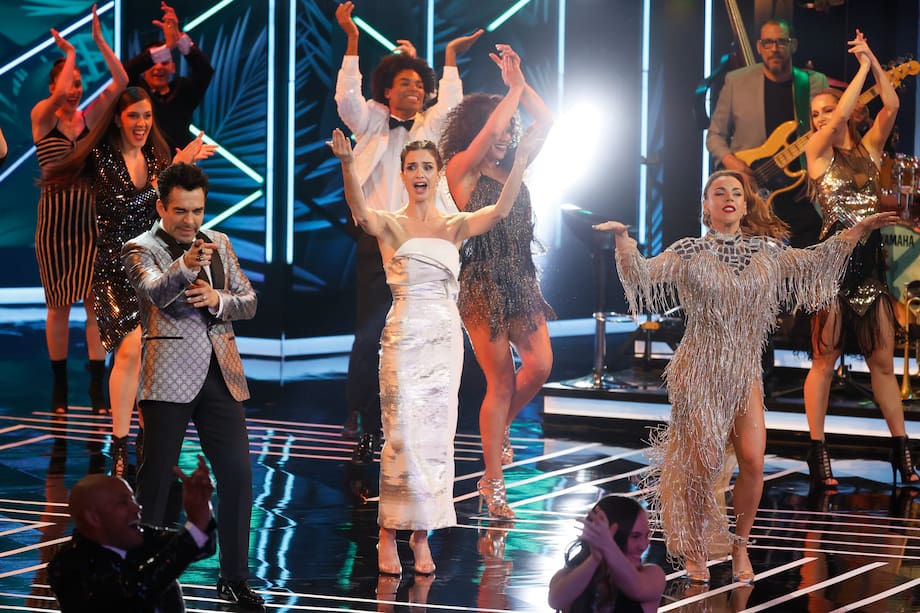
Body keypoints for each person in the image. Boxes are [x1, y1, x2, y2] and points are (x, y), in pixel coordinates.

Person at [594, 170, 897, 584]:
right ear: (707, 205)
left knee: (753, 461)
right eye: (719, 192)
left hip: (745, 371)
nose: (729, 198)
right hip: (698, 369)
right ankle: (697, 549)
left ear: (745, 203)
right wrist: (624, 242)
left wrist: (858, 231)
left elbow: (814, 262)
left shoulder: (766, 250)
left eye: (737, 192)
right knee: (702, 464)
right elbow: (641, 277)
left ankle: (740, 546)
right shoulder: (688, 251)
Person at [329, 119, 542, 574]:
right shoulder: (389, 224)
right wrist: (349, 166)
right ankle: (389, 533)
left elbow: (501, 212)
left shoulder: (455, 225)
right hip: (405, 336)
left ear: (437, 172)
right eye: (412, 166)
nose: (420, 172)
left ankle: (421, 537)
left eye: (427, 165)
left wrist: (520, 164)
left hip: (445, 341)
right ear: (404, 175)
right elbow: (361, 213)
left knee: (435, 441)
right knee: (402, 438)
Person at [334, 0, 482, 459]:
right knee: (372, 333)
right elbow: (346, 100)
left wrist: (450, 59)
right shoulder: (372, 120)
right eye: (406, 83)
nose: (415, 91)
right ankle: (362, 417)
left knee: (421, 335)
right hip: (377, 240)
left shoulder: (432, 126)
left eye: (421, 84)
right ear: (387, 91)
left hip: (425, 245)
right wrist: (353, 40)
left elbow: (453, 106)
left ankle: (417, 421)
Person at [42, 86, 215, 477]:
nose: (141, 124)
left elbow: (168, 208)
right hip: (116, 269)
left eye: (147, 117)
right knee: (131, 349)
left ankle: (145, 440)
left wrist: (181, 170)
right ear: (119, 118)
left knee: (154, 358)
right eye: (134, 116)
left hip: (156, 265)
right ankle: (119, 445)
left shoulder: (157, 156)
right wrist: (168, 173)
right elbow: (121, 209)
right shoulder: (103, 157)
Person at [121, 162, 263, 609]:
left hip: (221, 375)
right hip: (168, 377)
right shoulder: (138, 248)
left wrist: (218, 299)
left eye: (197, 211)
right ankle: (142, 572)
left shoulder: (218, 243)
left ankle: (235, 578)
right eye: (180, 211)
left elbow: (249, 302)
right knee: (156, 482)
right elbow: (155, 294)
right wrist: (184, 266)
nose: (190, 221)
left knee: (238, 474)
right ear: (162, 206)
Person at [439, 44, 554, 519]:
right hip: (482, 284)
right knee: (501, 382)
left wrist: (521, 84)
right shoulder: (459, 170)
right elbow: (488, 128)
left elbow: (545, 123)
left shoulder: (517, 167)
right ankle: (494, 481)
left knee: (542, 365)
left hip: (521, 278)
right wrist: (507, 94)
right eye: (502, 129)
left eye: (511, 129)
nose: (507, 136)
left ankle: (497, 434)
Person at [802, 31, 917, 488]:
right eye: (814, 114)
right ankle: (817, 452)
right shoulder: (816, 154)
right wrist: (864, 71)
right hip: (833, 270)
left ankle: (902, 451)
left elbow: (891, 106)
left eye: (826, 110)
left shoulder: (868, 152)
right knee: (823, 362)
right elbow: (840, 120)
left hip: (870, 270)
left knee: (883, 365)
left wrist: (871, 58)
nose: (821, 119)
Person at [31, 6, 126, 416]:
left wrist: (98, 41)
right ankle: (59, 389)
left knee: (92, 305)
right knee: (58, 306)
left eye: (78, 83)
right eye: (67, 83)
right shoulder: (42, 117)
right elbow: (54, 98)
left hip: (89, 226)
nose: (74, 89)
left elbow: (121, 82)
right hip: (54, 228)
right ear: (55, 86)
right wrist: (68, 53)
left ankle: (95, 389)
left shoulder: (90, 118)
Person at [707, 19, 828, 248]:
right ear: (759, 47)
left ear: (793, 45)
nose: (774, 48)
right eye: (768, 42)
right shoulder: (736, 81)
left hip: (800, 199)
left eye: (781, 42)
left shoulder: (812, 82)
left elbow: (827, 130)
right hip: (753, 201)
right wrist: (734, 164)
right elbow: (714, 136)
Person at [48, 454, 216, 612]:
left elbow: (202, 547)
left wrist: (201, 512)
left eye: (133, 499)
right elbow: (134, 598)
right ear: (93, 517)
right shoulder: (68, 565)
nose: (137, 508)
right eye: (123, 503)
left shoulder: (142, 537)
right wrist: (194, 528)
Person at [547, 496, 665, 613]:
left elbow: (637, 588)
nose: (644, 545)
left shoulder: (653, 575)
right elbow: (556, 601)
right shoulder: (569, 574)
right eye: (635, 536)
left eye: (646, 536)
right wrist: (594, 559)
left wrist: (607, 546)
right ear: (615, 536)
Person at [125, 1, 214, 151]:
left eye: (165, 62)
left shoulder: (184, 91)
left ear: (173, 68)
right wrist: (167, 47)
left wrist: (178, 38)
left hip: (180, 168)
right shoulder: (137, 91)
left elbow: (204, 71)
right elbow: (125, 72)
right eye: (154, 62)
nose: (159, 67)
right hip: (142, 168)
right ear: (144, 68)